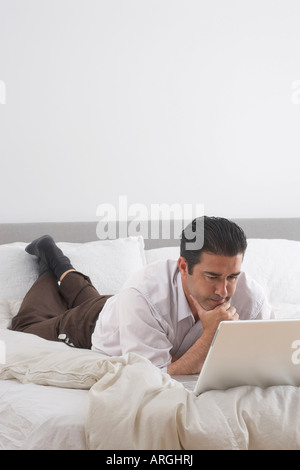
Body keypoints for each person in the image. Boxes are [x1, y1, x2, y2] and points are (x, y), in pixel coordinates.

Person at [11, 216, 274, 375]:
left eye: (232, 277)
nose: (223, 291)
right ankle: (48, 265)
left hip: (121, 309)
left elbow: (278, 352)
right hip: (91, 324)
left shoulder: (251, 296)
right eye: (212, 277)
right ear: (184, 267)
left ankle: (60, 264)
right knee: (26, 326)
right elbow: (157, 375)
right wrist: (210, 334)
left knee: (93, 298)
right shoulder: (143, 297)